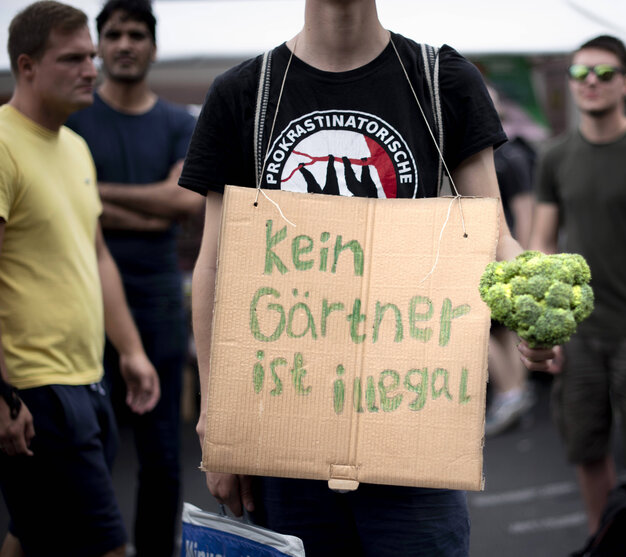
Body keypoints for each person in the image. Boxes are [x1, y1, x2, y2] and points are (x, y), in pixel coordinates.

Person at [178, 1, 559, 554]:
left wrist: (531, 303)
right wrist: (220, 425)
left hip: (413, 430)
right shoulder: (244, 92)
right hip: (285, 427)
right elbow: (215, 262)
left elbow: (491, 230)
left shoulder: (442, 80)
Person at [0, 2, 160, 556]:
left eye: (91, 56)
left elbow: (98, 258)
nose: (91, 68)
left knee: (32, 532)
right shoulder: (0, 144)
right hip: (34, 386)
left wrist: (133, 351)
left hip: (88, 378)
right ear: (27, 66)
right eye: (73, 58)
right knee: (109, 545)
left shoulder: (75, 147)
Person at [527, 35, 626, 532]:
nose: (590, 82)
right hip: (578, 336)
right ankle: (604, 541)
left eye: (603, 73)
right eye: (579, 74)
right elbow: (541, 244)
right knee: (587, 449)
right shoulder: (554, 156)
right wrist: (543, 330)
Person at [65, 1, 200, 554]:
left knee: (162, 458)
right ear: (100, 45)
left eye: (136, 34)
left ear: (152, 47)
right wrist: (152, 208)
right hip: (81, 300)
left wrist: (89, 192)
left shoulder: (175, 122)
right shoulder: (73, 116)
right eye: (114, 33)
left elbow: (183, 201)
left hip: (160, 304)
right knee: (84, 448)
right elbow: (161, 204)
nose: (125, 43)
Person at [484, 84, 538, 436]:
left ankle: (510, 392)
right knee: (498, 331)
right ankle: (514, 394)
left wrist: (523, 259)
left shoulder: (510, 157)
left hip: (502, 259)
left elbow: (526, 211)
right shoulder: (482, 154)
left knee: (477, 329)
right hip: (484, 258)